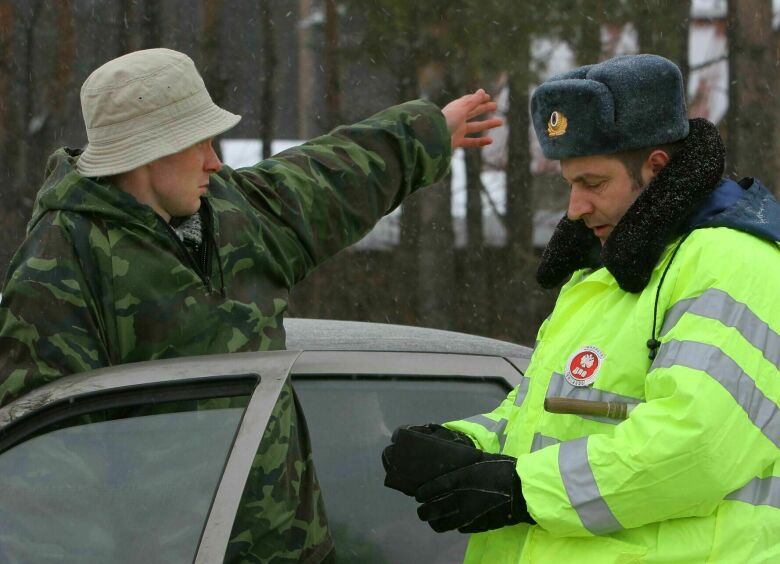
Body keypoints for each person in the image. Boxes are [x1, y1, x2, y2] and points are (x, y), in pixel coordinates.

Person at [0, 48, 501, 563]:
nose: (214, 161)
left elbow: (328, 180)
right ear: (150, 150)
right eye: (200, 143)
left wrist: (428, 130)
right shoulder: (61, 264)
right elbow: (49, 468)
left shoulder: (232, 213)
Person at [383, 53, 780, 562]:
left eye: (592, 184)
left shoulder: (734, 262)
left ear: (657, 169)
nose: (575, 208)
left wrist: (520, 491)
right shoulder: (605, 270)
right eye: (569, 183)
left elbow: (695, 446)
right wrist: (460, 443)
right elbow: (548, 418)